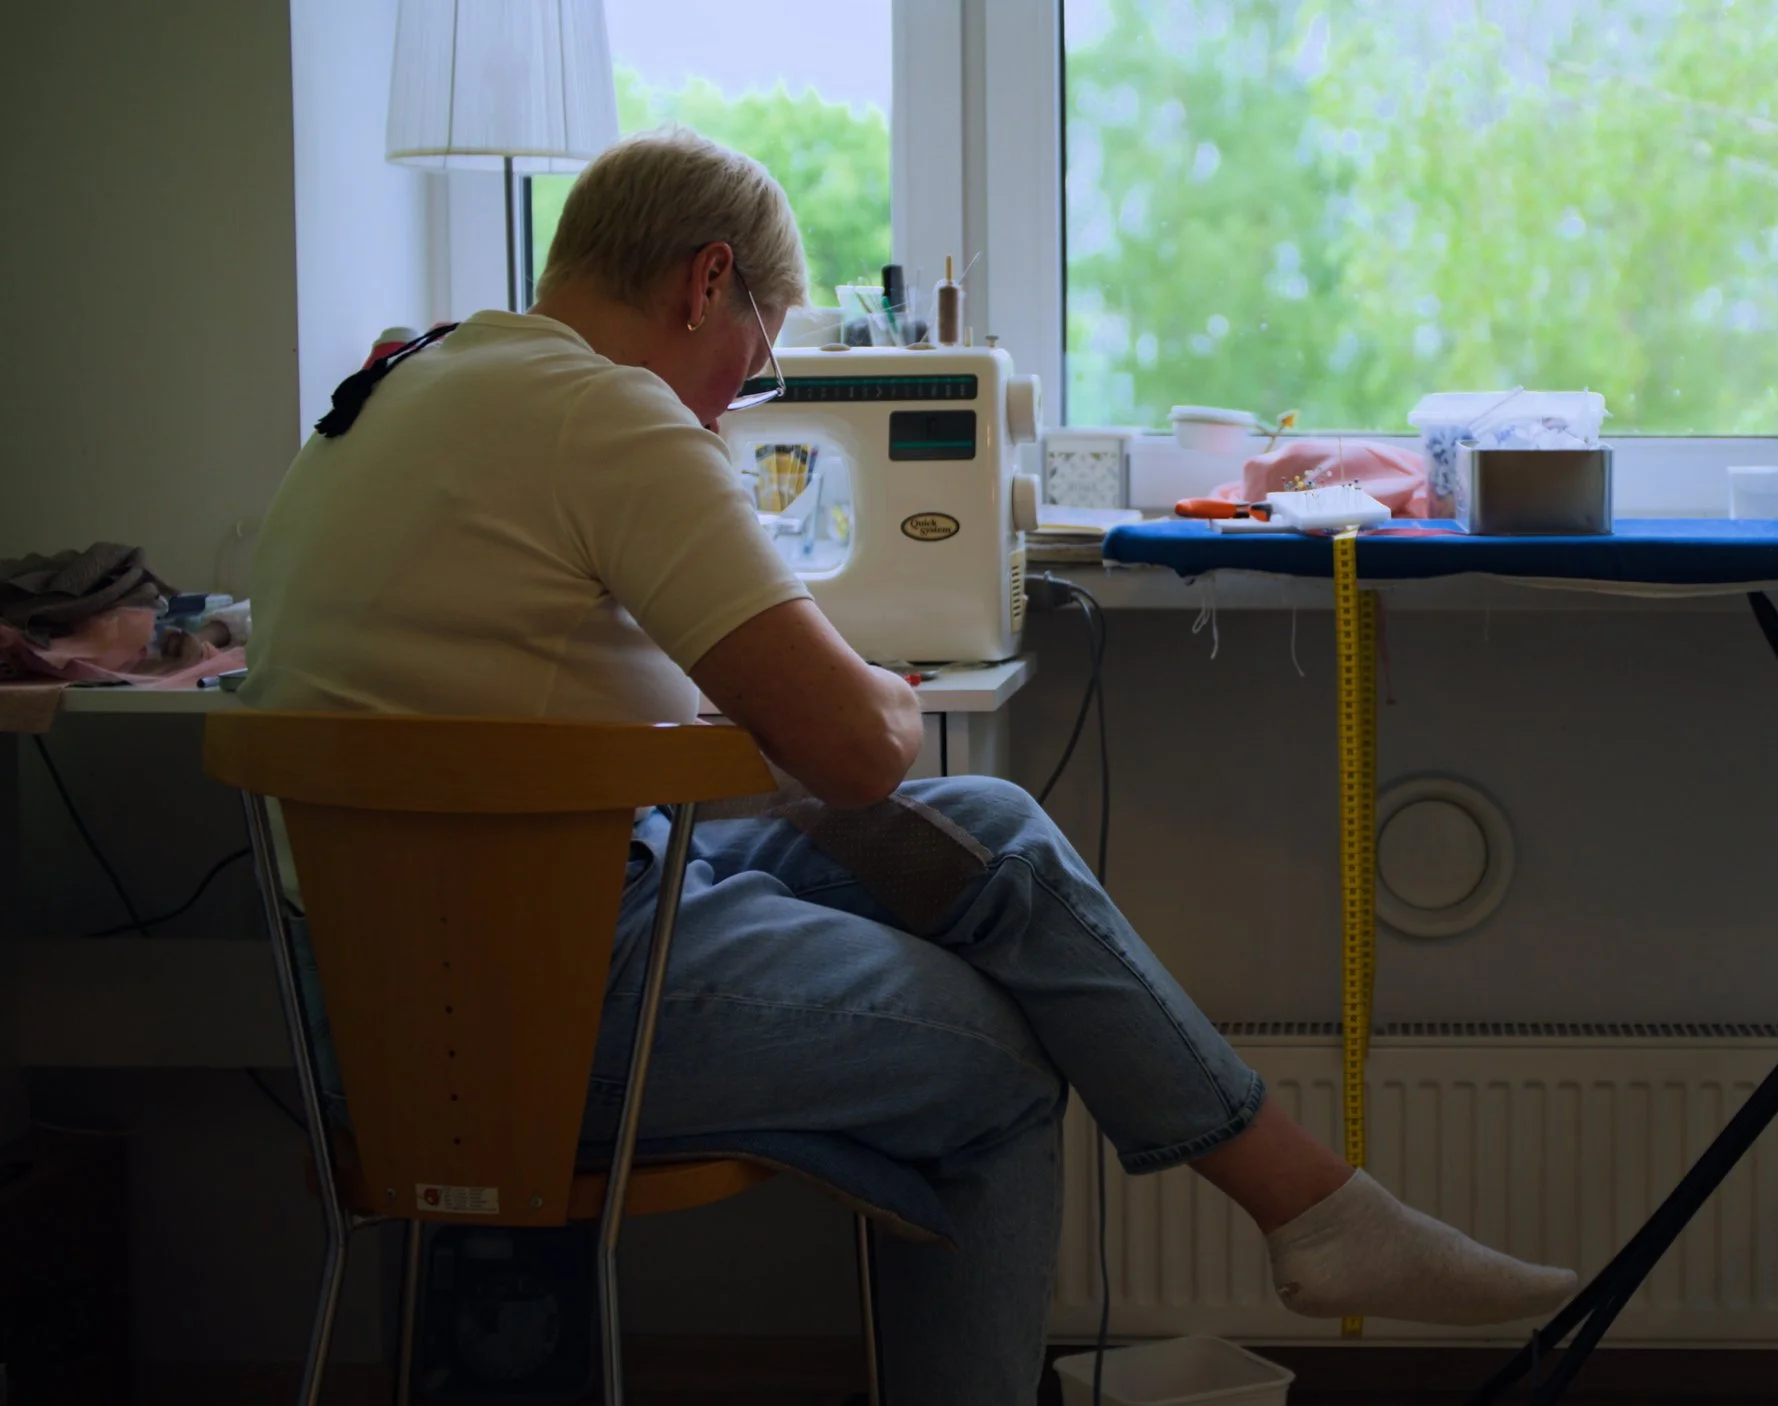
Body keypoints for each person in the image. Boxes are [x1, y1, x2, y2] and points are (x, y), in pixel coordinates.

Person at [243, 128, 1574, 1400]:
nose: (733, 407)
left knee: (984, 825)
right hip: (537, 1010)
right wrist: (876, 682)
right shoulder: (611, 418)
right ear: (708, 280)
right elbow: (857, 751)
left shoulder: (393, 394)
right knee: (1000, 1060)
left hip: (354, 1004)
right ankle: (1315, 1208)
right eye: (755, 367)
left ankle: (1313, 1205)